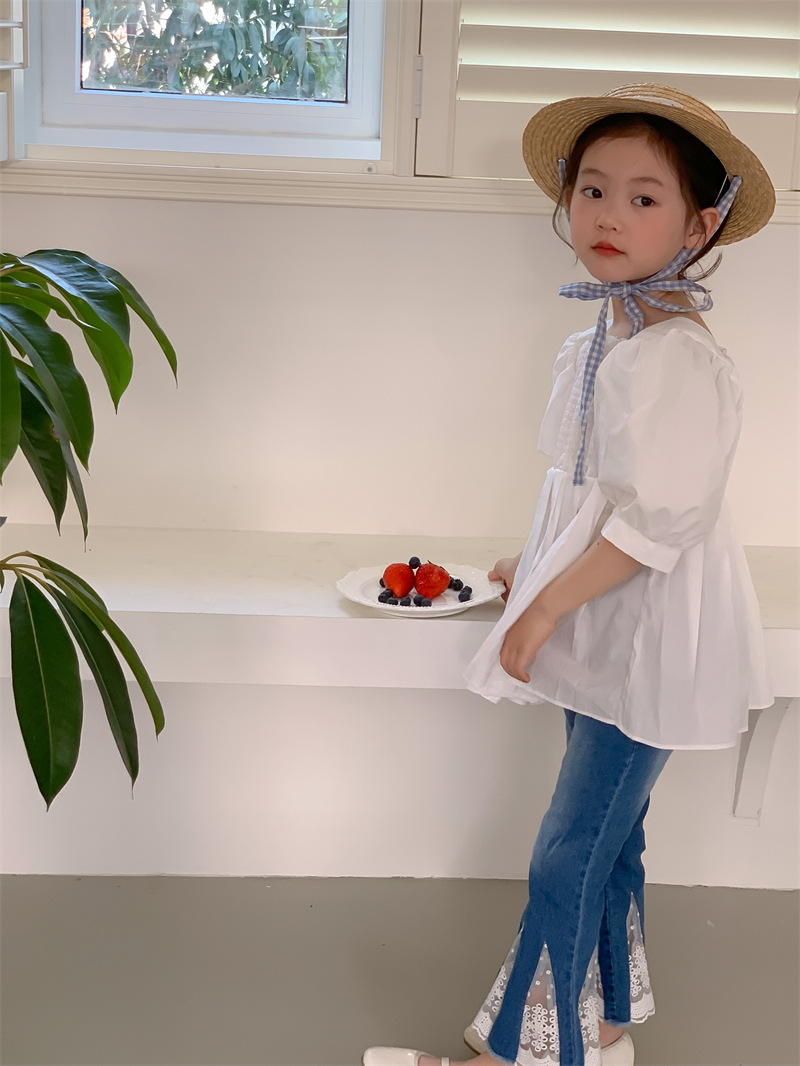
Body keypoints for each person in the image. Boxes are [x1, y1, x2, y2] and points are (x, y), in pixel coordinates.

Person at [362, 83, 775, 1066]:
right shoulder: (614, 334)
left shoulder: (671, 357)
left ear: (700, 224)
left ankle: (521, 1054)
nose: (607, 215)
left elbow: (656, 523)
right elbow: (597, 490)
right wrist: (533, 562)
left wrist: (546, 604)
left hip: (646, 634)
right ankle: (605, 1020)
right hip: (612, 624)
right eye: (592, 189)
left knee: (569, 848)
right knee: (610, 836)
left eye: (644, 197)